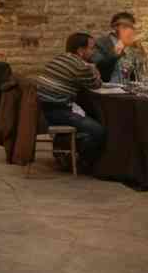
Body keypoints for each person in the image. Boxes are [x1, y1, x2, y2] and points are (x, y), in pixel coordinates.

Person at [37, 33, 107, 172]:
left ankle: (65, 152)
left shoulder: (59, 58)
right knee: (99, 131)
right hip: (58, 112)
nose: (94, 52)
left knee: (87, 118)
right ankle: (81, 164)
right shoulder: (80, 66)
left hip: (43, 108)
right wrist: (94, 69)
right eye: (91, 48)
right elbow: (96, 84)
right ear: (81, 50)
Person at [92, 12, 140, 84]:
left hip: (128, 89)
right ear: (114, 27)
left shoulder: (132, 46)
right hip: (108, 89)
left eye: (131, 27)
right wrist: (117, 50)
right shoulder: (101, 43)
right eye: (125, 26)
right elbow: (99, 67)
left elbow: (137, 72)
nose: (129, 30)